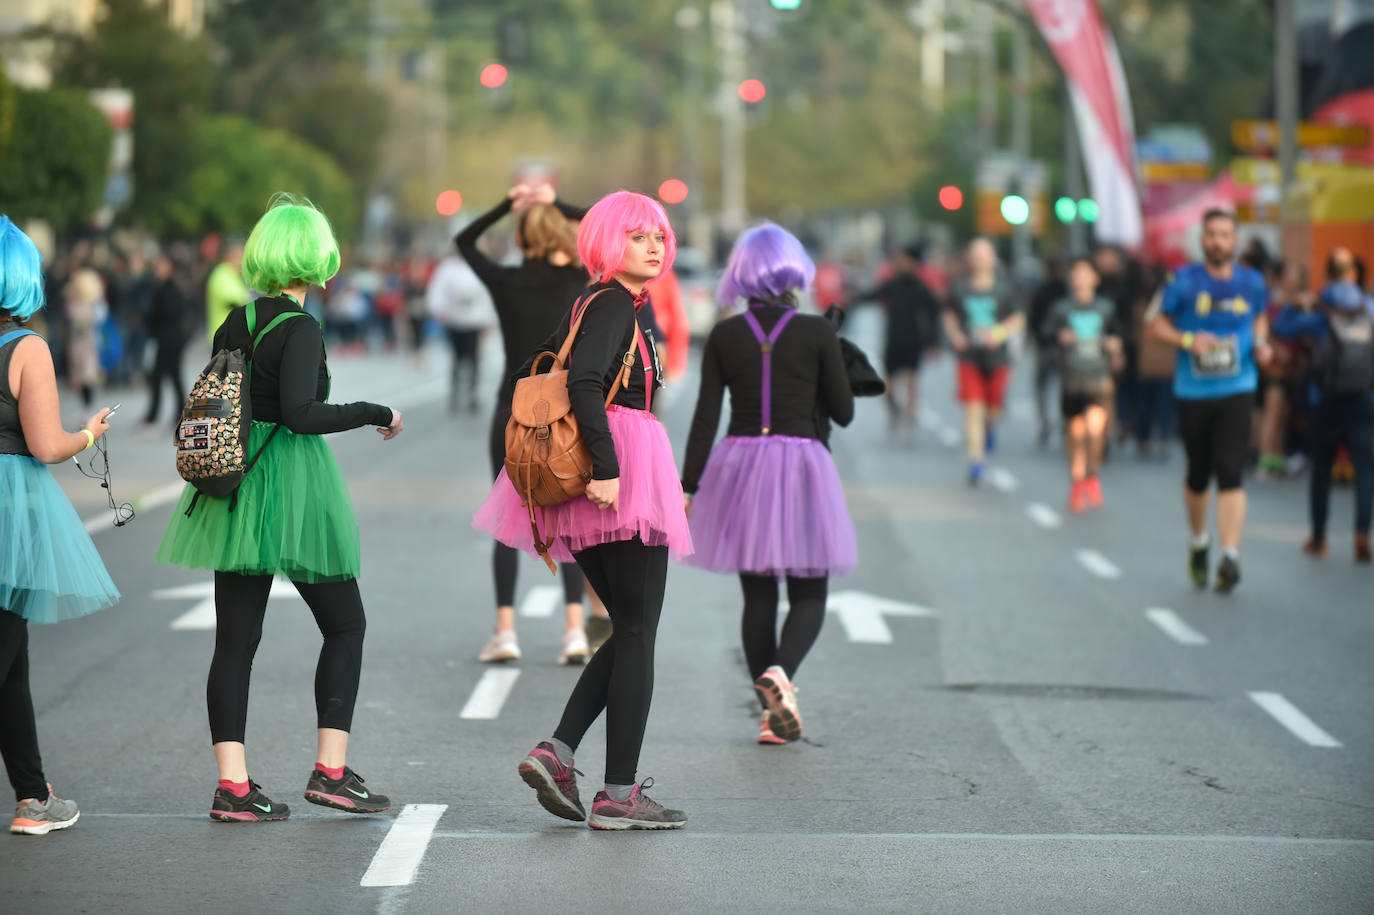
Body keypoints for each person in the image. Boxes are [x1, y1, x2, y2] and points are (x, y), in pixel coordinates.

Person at [155, 194, 405, 823]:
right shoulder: (302, 328)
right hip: (292, 483)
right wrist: (376, 412)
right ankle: (331, 771)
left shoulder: (234, 321)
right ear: (316, 258)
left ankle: (232, 787)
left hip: (236, 486)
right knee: (345, 625)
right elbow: (301, 414)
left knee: (235, 642)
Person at [474, 190, 693, 830]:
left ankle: (558, 753)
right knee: (637, 631)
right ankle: (618, 794)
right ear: (607, 243)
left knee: (628, 627)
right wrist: (607, 466)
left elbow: (532, 369)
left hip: (609, 473)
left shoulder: (593, 304)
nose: (653, 247)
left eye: (658, 237)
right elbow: (582, 383)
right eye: (637, 237)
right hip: (617, 475)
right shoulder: (610, 306)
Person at [681, 223, 856, 745]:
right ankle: (782, 674)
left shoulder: (724, 334)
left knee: (757, 597)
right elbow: (843, 412)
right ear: (792, 270)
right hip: (802, 464)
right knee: (810, 590)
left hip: (739, 465)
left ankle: (768, 713)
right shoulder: (817, 331)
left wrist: (688, 487)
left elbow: (704, 418)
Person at [0, 216, 120, 835]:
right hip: (10, 510)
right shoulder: (27, 349)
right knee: (5, 648)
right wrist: (89, 434)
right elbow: (46, 445)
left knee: (11, 655)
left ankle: (31, 795)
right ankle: (31, 799)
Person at [456, 183, 592, 665]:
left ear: (518, 241)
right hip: (566, 413)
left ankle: (506, 630)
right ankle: (574, 629)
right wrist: (558, 201)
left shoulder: (506, 282)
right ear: (562, 233)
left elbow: (464, 242)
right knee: (571, 521)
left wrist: (504, 204)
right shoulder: (583, 282)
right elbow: (609, 220)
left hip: (512, 410)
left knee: (507, 517)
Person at [1148, 209, 1272, 592]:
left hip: (1238, 386)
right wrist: (1189, 341)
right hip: (1193, 390)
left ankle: (1230, 556)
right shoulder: (1183, 281)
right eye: (1212, 234)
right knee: (1198, 475)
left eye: (1225, 235)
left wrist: (1263, 344)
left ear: (1236, 241)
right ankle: (1200, 540)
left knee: (1231, 472)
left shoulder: (1251, 282)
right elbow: (1156, 326)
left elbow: (1260, 318)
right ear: (1202, 240)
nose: (1218, 241)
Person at [1272, 251, 1374, 562]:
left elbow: (1281, 329)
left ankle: (1319, 538)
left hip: (1325, 400)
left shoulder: (1320, 309)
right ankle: (1361, 533)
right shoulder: (1368, 306)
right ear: (1354, 275)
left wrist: (1292, 305)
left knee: (1321, 472)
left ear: (1328, 275)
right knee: (1366, 470)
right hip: (1365, 398)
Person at [942, 238, 1022, 484]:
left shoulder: (1004, 288)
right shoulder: (959, 287)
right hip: (969, 356)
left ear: (993, 259)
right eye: (975, 254)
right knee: (973, 407)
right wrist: (955, 335)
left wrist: (998, 334)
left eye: (984, 254)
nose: (979, 259)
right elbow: (950, 314)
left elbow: (1017, 318)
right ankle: (976, 460)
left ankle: (991, 427)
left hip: (997, 357)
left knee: (993, 407)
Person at [1049, 258, 1122, 512]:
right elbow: (1045, 334)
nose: (1081, 278)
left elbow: (1118, 335)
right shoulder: (1061, 309)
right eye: (1076, 273)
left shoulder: (1106, 307)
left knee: (1095, 428)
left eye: (1085, 273)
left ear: (1095, 278)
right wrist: (1060, 338)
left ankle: (1092, 473)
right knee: (1075, 431)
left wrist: (1116, 347)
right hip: (1071, 377)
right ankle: (1077, 478)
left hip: (1098, 376)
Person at [853, 244, 940, 435]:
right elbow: (872, 295)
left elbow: (934, 314)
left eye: (907, 261)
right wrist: (852, 298)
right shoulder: (892, 284)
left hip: (914, 340)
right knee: (889, 385)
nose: (903, 264)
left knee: (912, 381)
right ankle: (894, 410)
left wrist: (934, 343)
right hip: (893, 339)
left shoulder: (921, 289)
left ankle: (910, 419)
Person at [424, 248, 495, 416]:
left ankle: (472, 394)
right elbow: (437, 291)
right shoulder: (447, 268)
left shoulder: (478, 266)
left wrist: (488, 319)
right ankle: (454, 394)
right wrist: (439, 311)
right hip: (454, 320)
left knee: (474, 360)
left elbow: (487, 294)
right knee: (456, 359)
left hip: (474, 321)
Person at [1257, 260, 1310, 480]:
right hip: (1275, 371)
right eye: (1289, 274)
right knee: (1271, 416)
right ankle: (1264, 463)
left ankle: (1275, 462)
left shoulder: (1303, 303)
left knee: (1282, 419)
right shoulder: (1273, 302)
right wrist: (1277, 350)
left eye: (1297, 275)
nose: (1292, 279)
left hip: (1293, 371)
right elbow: (1263, 329)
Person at [141, 251, 191, 430]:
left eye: (160, 266)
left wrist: (149, 316)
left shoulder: (169, 289)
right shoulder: (161, 287)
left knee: (168, 377)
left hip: (170, 340)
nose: (157, 270)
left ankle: (160, 416)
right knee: (165, 378)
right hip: (166, 339)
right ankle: (172, 415)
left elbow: (167, 313)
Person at [1028, 256, 1069, 446]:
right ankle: (1056, 422)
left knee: (1046, 387)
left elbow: (1032, 318)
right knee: (1054, 386)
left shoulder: (1048, 290)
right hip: (1052, 346)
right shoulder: (1063, 291)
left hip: (1051, 346)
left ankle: (1049, 421)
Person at [63, 267, 104, 408]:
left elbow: (98, 319)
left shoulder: (92, 304)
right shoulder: (73, 302)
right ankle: (87, 405)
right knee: (81, 374)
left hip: (89, 343)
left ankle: (89, 405)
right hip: (78, 343)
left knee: (87, 374)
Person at [205, 239, 248, 343]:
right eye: (240, 256)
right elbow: (236, 302)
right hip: (225, 338)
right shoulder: (223, 275)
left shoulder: (232, 274)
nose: (243, 261)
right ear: (230, 255)